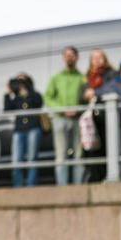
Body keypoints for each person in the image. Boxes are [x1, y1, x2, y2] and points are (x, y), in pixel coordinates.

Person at [44, 46, 85, 186]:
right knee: (61, 154)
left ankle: (78, 186)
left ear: (77, 57)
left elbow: (86, 98)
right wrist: (61, 110)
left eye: (72, 55)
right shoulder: (56, 78)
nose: (69, 57)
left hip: (78, 119)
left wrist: (79, 109)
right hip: (60, 119)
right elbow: (47, 97)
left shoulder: (82, 78)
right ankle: (62, 187)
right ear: (63, 58)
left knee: (78, 154)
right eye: (67, 55)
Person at [81, 49, 117, 182]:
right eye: (94, 58)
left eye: (99, 57)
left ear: (105, 59)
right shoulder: (87, 77)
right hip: (91, 120)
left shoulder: (112, 73)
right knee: (92, 150)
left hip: (106, 118)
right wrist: (85, 95)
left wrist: (94, 92)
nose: (97, 60)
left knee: (107, 148)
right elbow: (80, 96)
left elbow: (112, 88)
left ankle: (108, 176)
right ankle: (95, 178)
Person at [4, 73, 43, 187]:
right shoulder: (16, 97)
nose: (20, 83)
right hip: (19, 130)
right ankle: (18, 186)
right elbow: (7, 109)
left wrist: (28, 92)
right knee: (16, 160)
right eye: (18, 81)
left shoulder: (34, 94)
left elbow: (39, 102)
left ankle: (31, 186)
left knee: (32, 159)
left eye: (22, 80)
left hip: (33, 129)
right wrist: (8, 93)